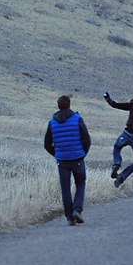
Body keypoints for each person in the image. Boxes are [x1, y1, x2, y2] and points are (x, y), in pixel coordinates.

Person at [44, 95, 92, 225]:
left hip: (62, 160)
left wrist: (57, 153)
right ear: (70, 105)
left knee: (65, 188)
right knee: (80, 184)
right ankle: (77, 209)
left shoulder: (52, 122)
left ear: (58, 106)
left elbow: (47, 144)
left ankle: (69, 217)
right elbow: (86, 138)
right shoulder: (77, 119)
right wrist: (83, 153)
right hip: (77, 158)